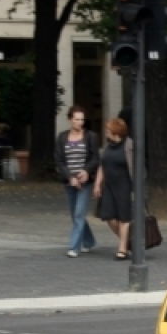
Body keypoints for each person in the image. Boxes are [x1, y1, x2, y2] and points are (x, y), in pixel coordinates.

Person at [54, 105, 99, 258]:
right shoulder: (62, 137)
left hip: (85, 180)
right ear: (70, 120)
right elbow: (59, 161)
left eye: (82, 119)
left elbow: (95, 158)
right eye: (77, 119)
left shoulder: (90, 136)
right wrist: (70, 177)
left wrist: (86, 171)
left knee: (79, 213)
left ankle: (74, 247)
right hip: (69, 180)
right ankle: (89, 241)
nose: (80, 122)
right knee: (75, 214)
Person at [93, 118, 134, 261]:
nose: (106, 132)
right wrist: (98, 184)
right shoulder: (108, 145)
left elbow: (135, 165)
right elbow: (102, 165)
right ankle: (129, 242)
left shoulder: (129, 145)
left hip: (124, 185)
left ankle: (122, 248)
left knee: (124, 217)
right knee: (108, 216)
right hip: (109, 186)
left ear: (115, 132)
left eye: (108, 130)